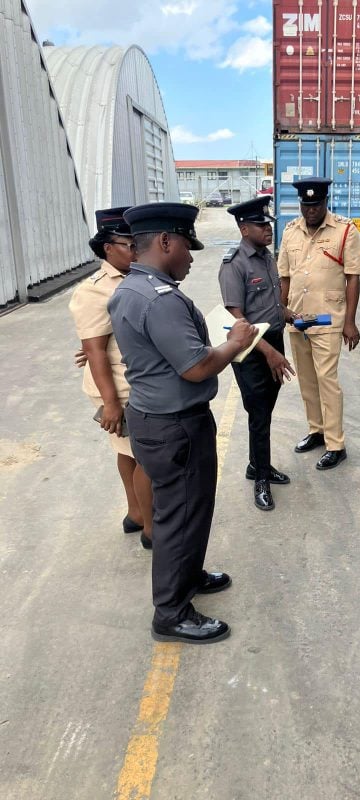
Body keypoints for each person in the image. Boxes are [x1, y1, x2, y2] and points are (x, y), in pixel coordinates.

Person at [108, 202, 257, 644]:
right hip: (176, 426)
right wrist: (235, 342)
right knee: (181, 515)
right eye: (187, 247)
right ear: (165, 242)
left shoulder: (131, 289)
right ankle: (170, 613)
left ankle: (188, 577)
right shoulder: (159, 299)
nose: (192, 257)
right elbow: (195, 367)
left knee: (189, 512)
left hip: (158, 420)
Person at [69, 207, 153, 547]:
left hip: (129, 381)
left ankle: (135, 513)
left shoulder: (136, 277)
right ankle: (151, 528)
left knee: (128, 450)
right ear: (107, 247)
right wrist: (110, 404)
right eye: (128, 243)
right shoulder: (95, 290)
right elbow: (96, 351)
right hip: (119, 388)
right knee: (148, 456)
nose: (136, 250)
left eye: (137, 242)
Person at [277, 177, 360, 470]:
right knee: (306, 380)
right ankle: (316, 430)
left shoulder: (345, 230)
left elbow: (353, 277)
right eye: (306, 205)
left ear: (326, 202)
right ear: (300, 204)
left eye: (315, 205)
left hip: (328, 318)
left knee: (327, 380)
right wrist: (281, 311)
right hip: (298, 318)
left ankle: (335, 443)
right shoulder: (289, 232)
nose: (310, 210)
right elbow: (284, 278)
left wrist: (350, 322)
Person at [218, 197, 296, 511]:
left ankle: (257, 464)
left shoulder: (266, 257)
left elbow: (271, 301)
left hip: (274, 341)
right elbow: (236, 317)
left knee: (265, 410)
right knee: (259, 414)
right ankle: (260, 477)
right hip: (252, 350)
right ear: (243, 227)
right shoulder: (234, 263)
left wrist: (286, 312)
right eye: (262, 225)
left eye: (269, 224)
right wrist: (269, 353)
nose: (268, 229)